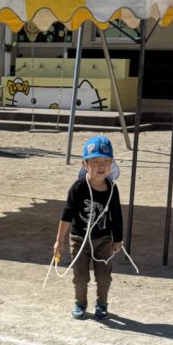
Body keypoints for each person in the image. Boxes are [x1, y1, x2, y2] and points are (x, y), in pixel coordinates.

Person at [53, 135, 123, 321]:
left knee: (104, 276)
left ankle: (102, 304)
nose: (101, 166)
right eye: (95, 161)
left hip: (104, 240)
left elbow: (117, 216)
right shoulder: (77, 188)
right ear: (85, 164)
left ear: (111, 164)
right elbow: (66, 216)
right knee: (81, 277)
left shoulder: (112, 189)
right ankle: (80, 303)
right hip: (79, 240)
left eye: (106, 162)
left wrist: (117, 239)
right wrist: (59, 241)